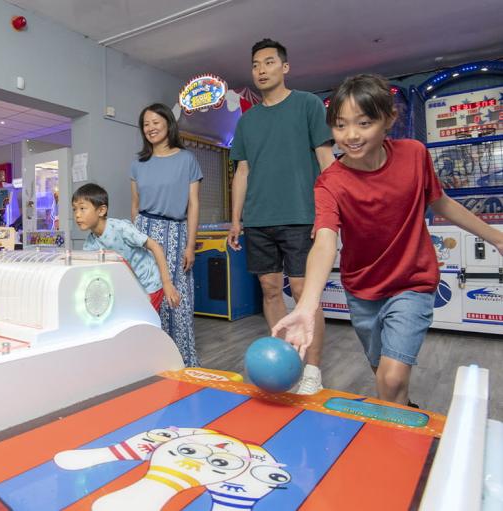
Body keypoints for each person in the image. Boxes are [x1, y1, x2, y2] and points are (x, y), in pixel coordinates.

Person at [272, 74, 503, 406]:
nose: (351, 135)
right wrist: (307, 306)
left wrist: (496, 237)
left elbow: (441, 202)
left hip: (412, 283)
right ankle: (403, 418)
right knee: (386, 378)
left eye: (364, 122)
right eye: (339, 125)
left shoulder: (414, 155)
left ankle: (395, 442)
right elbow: (324, 242)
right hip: (363, 292)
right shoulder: (330, 183)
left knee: (392, 378)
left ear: (389, 119)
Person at [227, 38, 336, 394]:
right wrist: (236, 219)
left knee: (306, 293)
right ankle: (287, 361)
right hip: (258, 220)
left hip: (301, 215)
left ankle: (313, 369)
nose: (261, 70)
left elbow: (326, 161)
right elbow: (241, 171)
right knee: (270, 290)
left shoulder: (307, 105)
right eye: (256, 64)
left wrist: (331, 213)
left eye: (269, 62)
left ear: (284, 67)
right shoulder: (247, 121)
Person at [131, 103, 202, 367]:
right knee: (147, 296)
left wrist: (190, 245)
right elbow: (135, 205)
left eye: (155, 122)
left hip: (176, 232)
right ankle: (149, 360)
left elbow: (194, 204)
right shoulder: (138, 163)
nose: (150, 128)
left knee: (177, 299)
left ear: (168, 124)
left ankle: (182, 359)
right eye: (146, 124)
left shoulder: (187, 159)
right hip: (144, 233)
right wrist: (134, 241)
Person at [73, 183, 180, 314]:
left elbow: (155, 246)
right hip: (132, 288)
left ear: (101, 210)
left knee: (144, 324)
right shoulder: (90, 244)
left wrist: (167, 283)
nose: (77, 215)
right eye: (75, 209)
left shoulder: (121, 228)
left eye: (82, 208)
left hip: (149, 283)